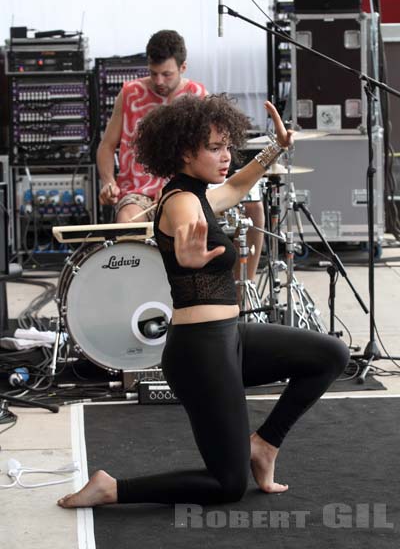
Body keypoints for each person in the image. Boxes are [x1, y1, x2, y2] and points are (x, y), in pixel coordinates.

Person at [58, 95, 349, 509]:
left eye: (227, 145)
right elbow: (183, 229)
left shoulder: (197, 193)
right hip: (200, 353)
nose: (226, 156)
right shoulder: (180, 202)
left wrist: (275, 148)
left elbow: (236, 186)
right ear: (183, 152)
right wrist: (184, 256)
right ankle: (111, 488)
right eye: (215, 148)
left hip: (227, 339)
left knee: (330, 354)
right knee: (226, 485)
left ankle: (265, 444)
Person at [97, 29, 207, 223]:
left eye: (167, 74)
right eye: (153, 73)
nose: (159, 81)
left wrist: (173, 190)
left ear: (183, 68)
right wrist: (108, 182)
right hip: (137, 192)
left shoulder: (198, 96)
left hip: (184, 188)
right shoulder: (130, 93)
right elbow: (106, 147)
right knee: (127, 222)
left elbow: (205, 153)